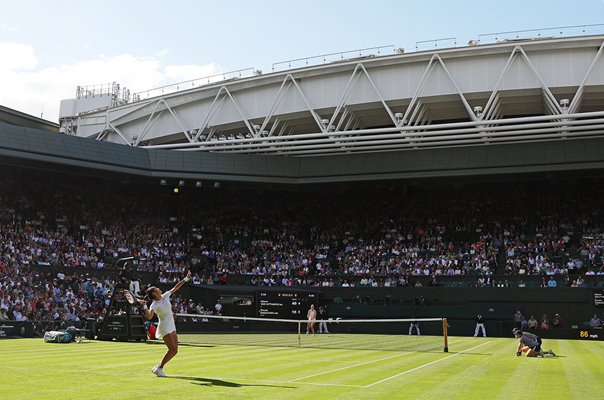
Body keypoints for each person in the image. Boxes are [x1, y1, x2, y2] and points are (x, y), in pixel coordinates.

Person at [140, 270, 191, 377]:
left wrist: (186, 279)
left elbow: (176, 287)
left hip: (171, 325)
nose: (159, 289)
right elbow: (149, 316)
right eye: (156, 288)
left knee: (175, 349)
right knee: (172, 349)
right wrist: (144, 306)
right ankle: (160, 368)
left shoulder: (165, 295)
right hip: (164, 327)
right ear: (154, 293)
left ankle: (158, 367)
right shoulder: (154, 305)